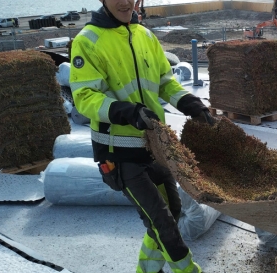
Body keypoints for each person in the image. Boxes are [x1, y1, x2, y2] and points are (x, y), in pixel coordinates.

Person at [69, 0, 214, 272]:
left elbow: (164, 81)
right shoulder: (87, 41)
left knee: (172, 213)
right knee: (163, 224)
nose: (124, 2)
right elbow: (84, 98)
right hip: (118, 154)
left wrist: (189, 104)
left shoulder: (144, 35)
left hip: (154, 147)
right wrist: (126, 111)